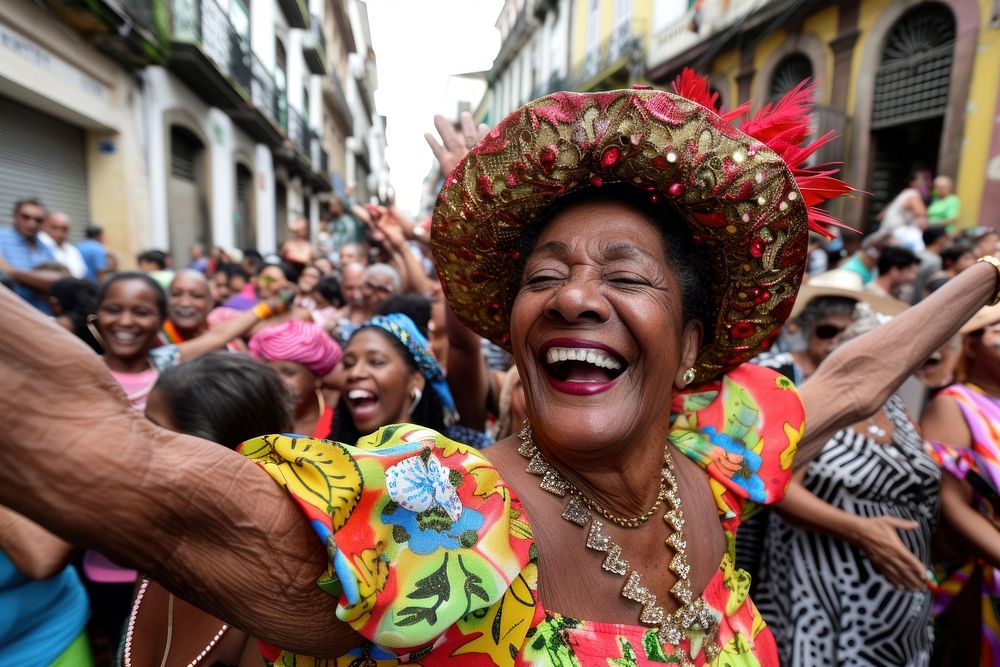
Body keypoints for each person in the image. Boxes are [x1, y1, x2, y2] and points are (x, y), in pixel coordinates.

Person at [0, 74, 996, 665]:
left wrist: (986, 270)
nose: (571, 297)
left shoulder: (714, 461)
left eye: (622, 274)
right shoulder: (438, 515)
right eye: (546, 278)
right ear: (514, 334)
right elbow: (113, 460)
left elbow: (859, 373)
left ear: (690, 347)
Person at [755, 305, 941, 666]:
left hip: (899, 593)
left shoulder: (899, 411)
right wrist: (862, 531)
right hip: (826, 583)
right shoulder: (819, 404)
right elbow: (778, 486)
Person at [124, 352, 293, 667]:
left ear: (222, 461)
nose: (136, 453)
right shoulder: (155, 540)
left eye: (157, 439)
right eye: (140, 430)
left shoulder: (275, 602)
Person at [922, 303, 1000, 666]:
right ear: (971, 345)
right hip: (977, 572)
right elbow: (951, 506)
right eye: (998, 332)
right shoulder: (954, 404)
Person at [333, 312, 491, 449]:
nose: (355, 373)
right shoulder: (328, 461)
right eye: (348, 364)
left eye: (376, 361)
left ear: (415, 381)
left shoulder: (464, 454)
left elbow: (463, 345)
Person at [248, 320, 343, 438]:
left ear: (317, 378)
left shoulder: (340, 419)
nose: (276, 381)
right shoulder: (251, 416)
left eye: (288, 372)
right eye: (270, 373)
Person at [0, 198, 57, 311]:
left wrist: (13, 272)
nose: (32, 223)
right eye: (25, 217)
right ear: (14, 216)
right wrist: (39, 280)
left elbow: (57, 282)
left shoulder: (45, 247)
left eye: (38, 220)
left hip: (42, 313)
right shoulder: (2, 239)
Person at [876, 171, 930, 252]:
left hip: (886, 231)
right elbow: (921, 214)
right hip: (897, 232)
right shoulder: (913, 194)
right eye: (922, 180)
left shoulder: (903, 194)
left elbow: (880, 216)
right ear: (913, 183)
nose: (925, 183)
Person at [38, 212, 87, 279]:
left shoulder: (72, 250)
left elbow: (81, 273)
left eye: (64, 229)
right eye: (54, 228)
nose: (59, 233)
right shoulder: (39, 243)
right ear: (44, 226)